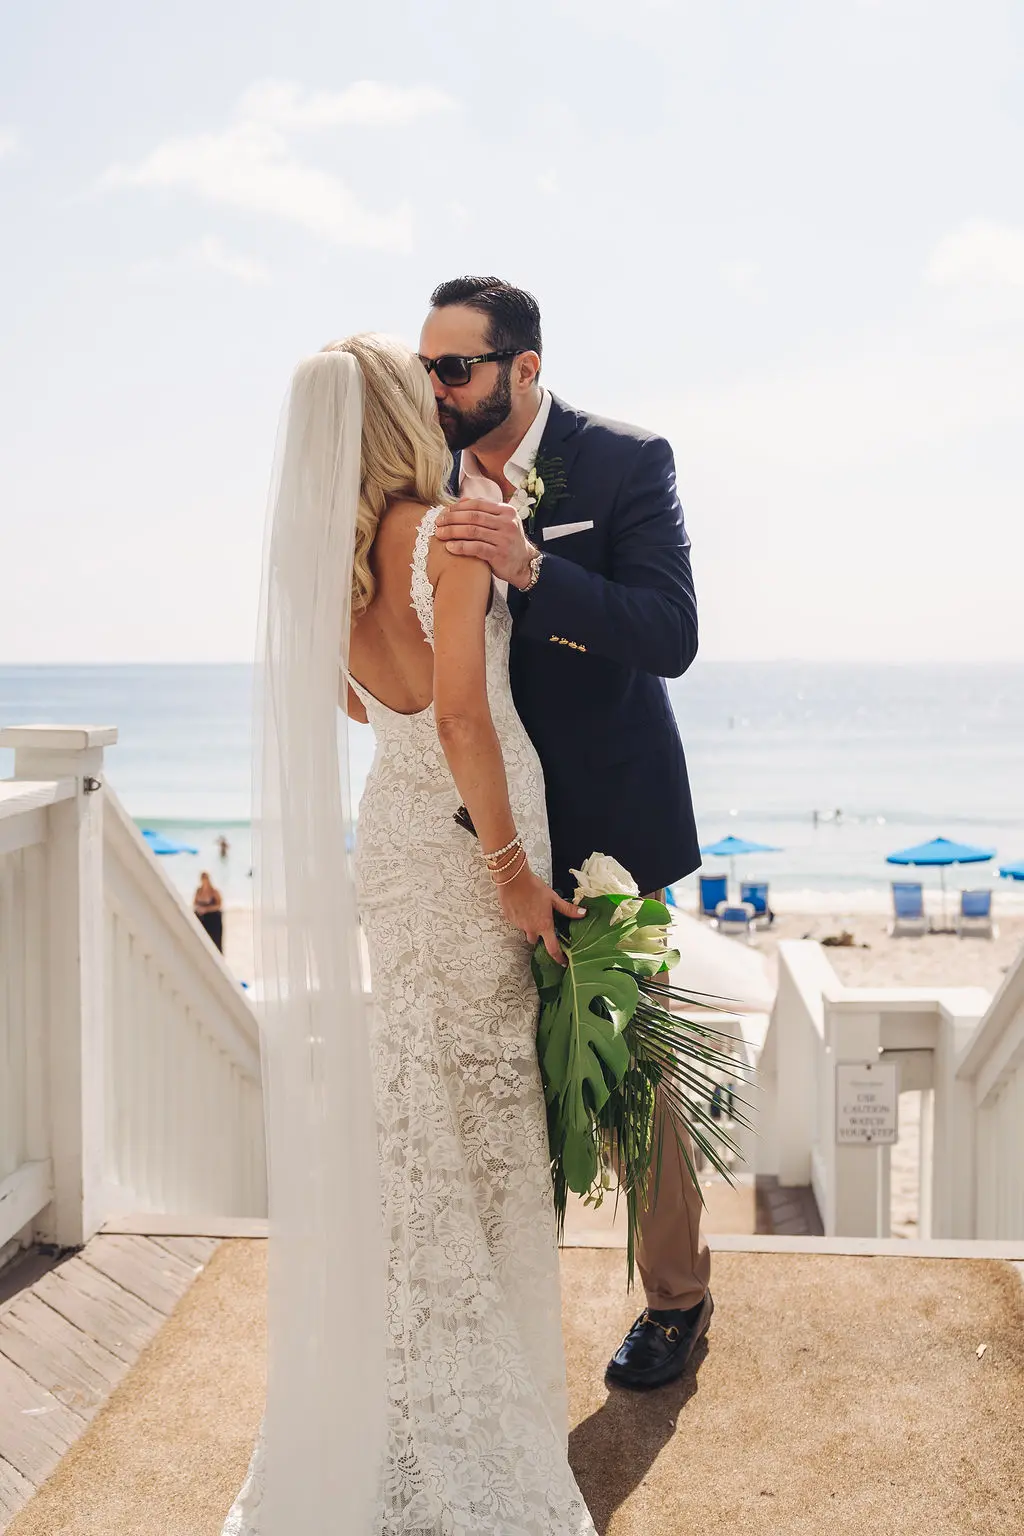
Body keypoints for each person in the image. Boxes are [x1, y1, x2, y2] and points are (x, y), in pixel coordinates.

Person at [220, 337, 596, 1534]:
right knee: (484, 1109)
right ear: (397, 415)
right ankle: (475, 1405)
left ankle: (406, 1385)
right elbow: (461, 718)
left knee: (421, 1101)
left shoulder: (324, 568)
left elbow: (359, 701)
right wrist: (511, 874)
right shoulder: (447, 534)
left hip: (393, 842)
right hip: (466, 846)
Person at [422, 276, 711, 1392]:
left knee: (634, 1069)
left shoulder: (626, 462)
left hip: (607, 827)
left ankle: (675, 1300)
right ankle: (502, 1311)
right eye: (427, 369)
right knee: (497, 1072)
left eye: (456, 368)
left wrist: (534, 566)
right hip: (475, 832)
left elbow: (671, 635)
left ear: (523, 368)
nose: (438, 388)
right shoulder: (423, 476)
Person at [192, 871, 223, 952]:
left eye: (205, 878)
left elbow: (219, 905)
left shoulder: (214, 891)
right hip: (201, 918)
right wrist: (199, 909)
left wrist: (207, 909)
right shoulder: (198, 891)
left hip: (213, 919)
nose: (204, 881)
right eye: (203, 879)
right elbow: (194, 903)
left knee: (215, 942)